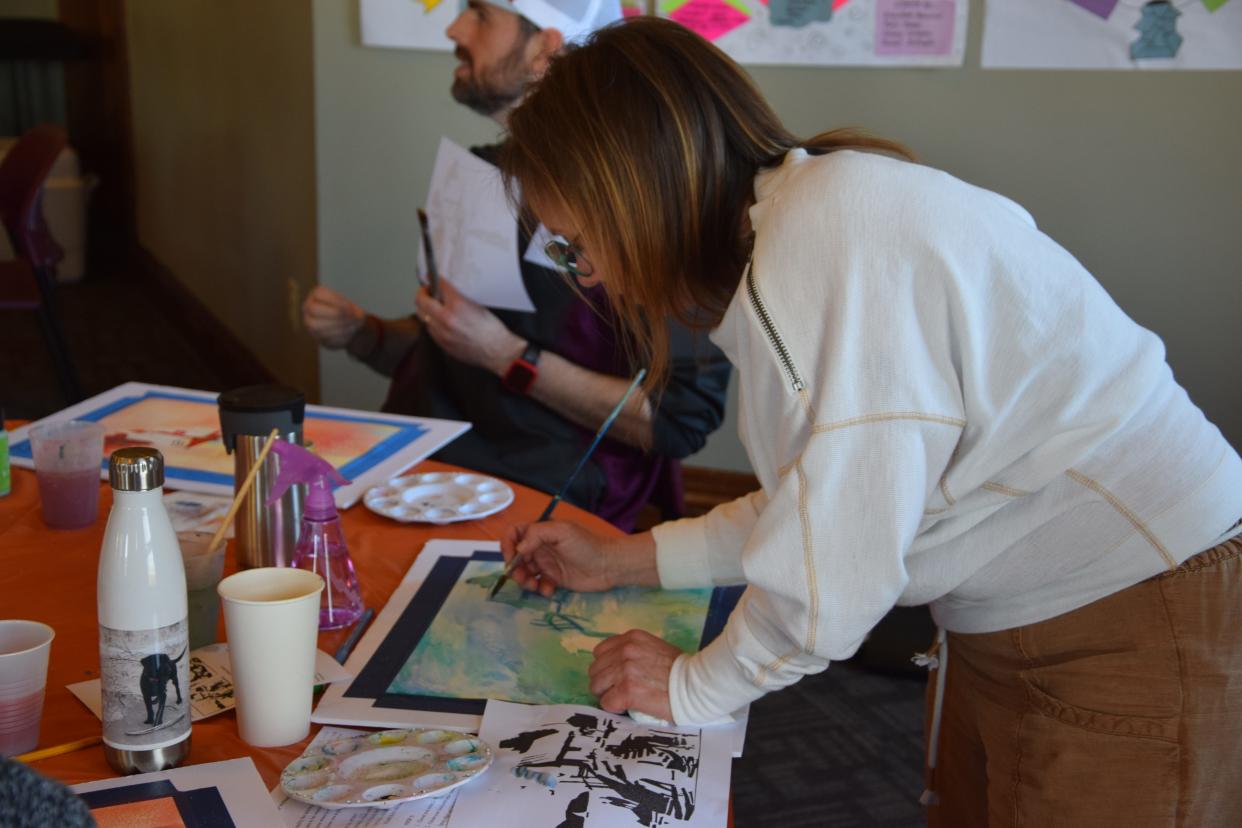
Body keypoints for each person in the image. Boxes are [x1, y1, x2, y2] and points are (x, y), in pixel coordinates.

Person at [496, 17, 1242, 825]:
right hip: (1029, 607)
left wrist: (692, 686)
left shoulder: (821, 241)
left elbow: (831, 576)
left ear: (636, 190)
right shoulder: (803, 221)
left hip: (1130, 609)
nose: (595, 278)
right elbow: (815, 500)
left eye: (578, 246)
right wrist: (621, 562)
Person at [303, 1, 730, 532]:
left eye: (480, 13)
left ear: (545, 49)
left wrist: (508, 357)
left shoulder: (643, 203)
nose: (454, 28)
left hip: (552, 499)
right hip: (414, 470)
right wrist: (364, 334)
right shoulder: (477, 172)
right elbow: (448, 348)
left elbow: (677, 419)